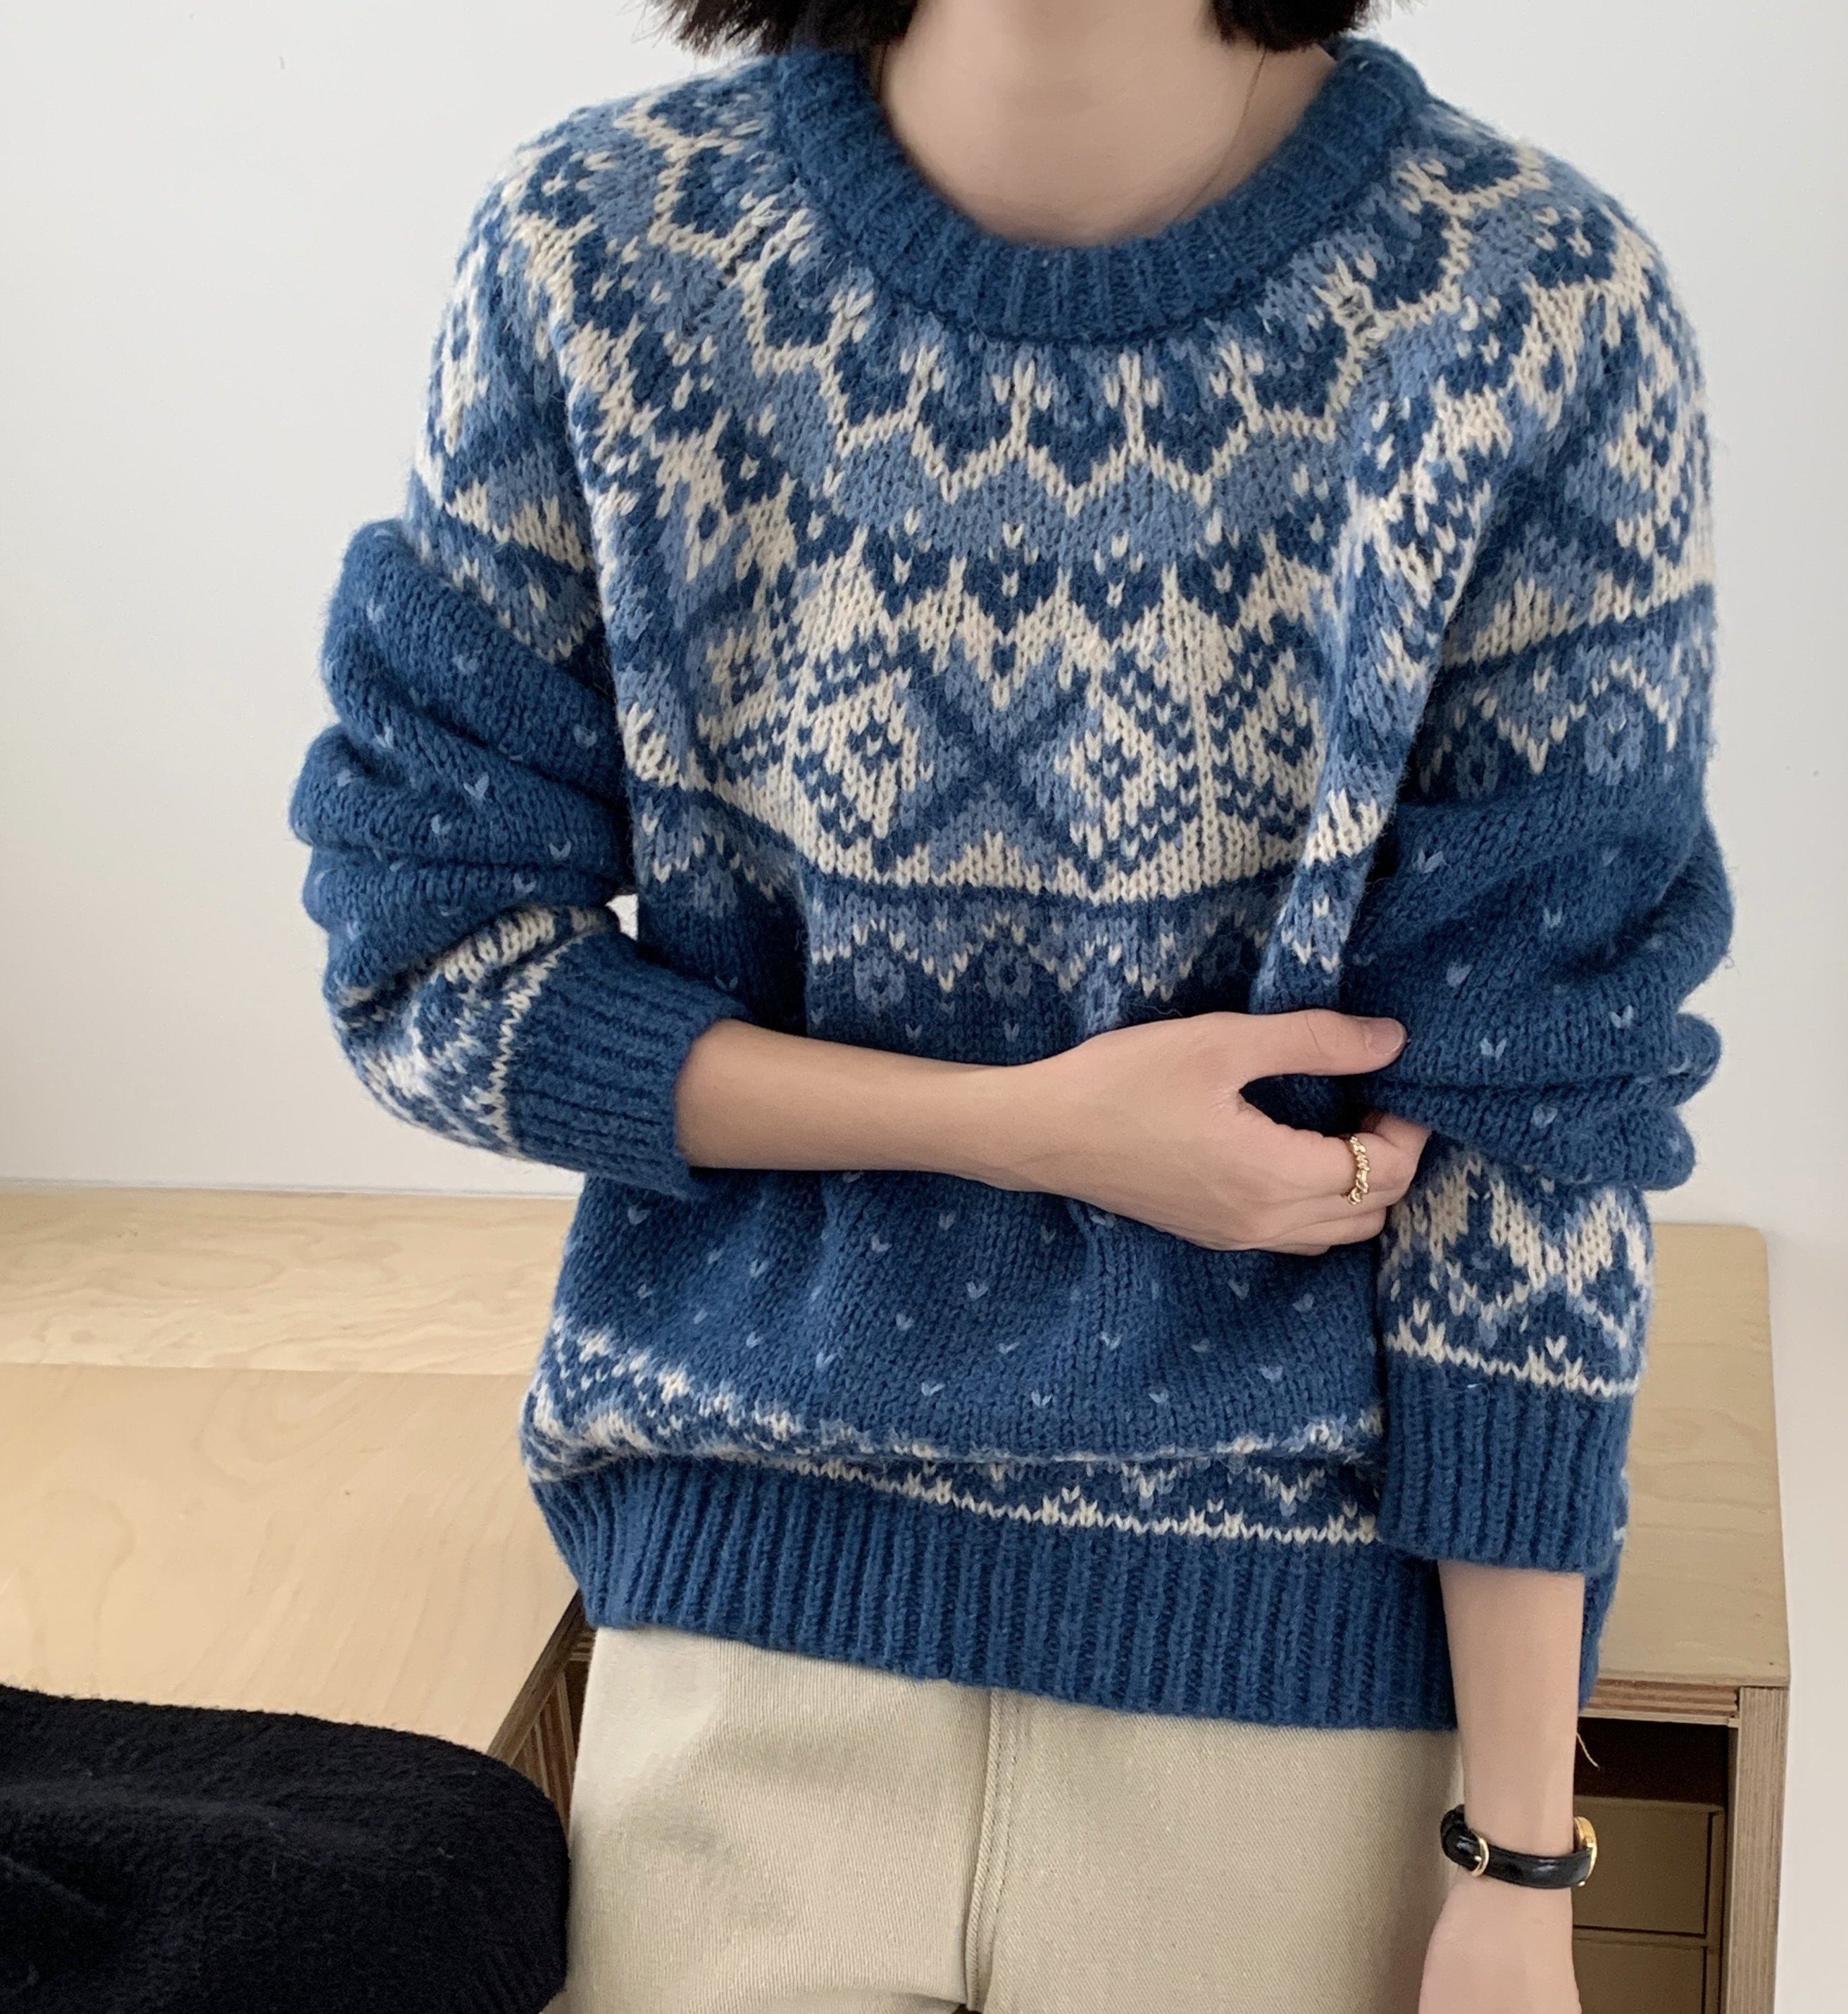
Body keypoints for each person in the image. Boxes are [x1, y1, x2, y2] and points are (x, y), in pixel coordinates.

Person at [289, 1, 1731, 2008]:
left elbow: (1535, 1130)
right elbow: (428, 962)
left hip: (1291, 1712)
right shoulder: (598, 251)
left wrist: (1515, 1858)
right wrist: (1020, 1128)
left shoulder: (1529, 305)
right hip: (743, 1657)